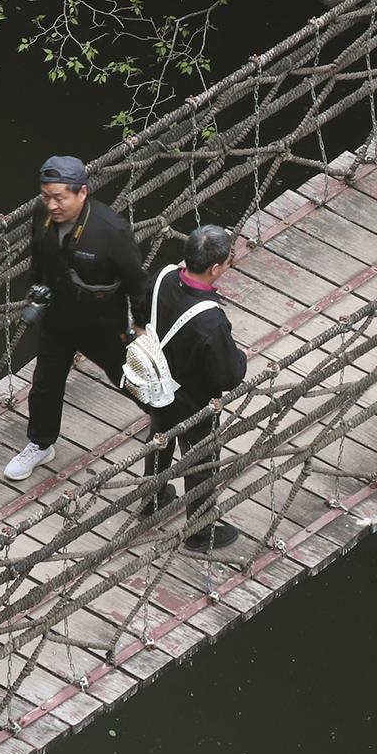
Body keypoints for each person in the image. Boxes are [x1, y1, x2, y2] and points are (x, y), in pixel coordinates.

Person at [1, 156, 151, 484]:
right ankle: (41, 444)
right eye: (46, 197)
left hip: (102, 324)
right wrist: (33, 291)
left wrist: (140, 325)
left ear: (82, 192)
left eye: (60, 198)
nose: (52, 205)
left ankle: (163, 414)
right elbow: (38, 257)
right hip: (56, 317)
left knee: (128, 375)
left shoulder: (111, 230)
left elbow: (137, 282)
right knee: (44, 383)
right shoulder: (42, 215)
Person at [138, 225, 249, 553]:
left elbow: (142, 315)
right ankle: (200, 531)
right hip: (192, 399)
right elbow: (228, 376)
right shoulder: (210, 321)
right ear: (215, 268)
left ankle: (153, 499)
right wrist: (239, 356)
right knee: (201, 458)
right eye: (228, 260)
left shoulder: (163, 277)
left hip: (156, 385)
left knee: (159, 437)